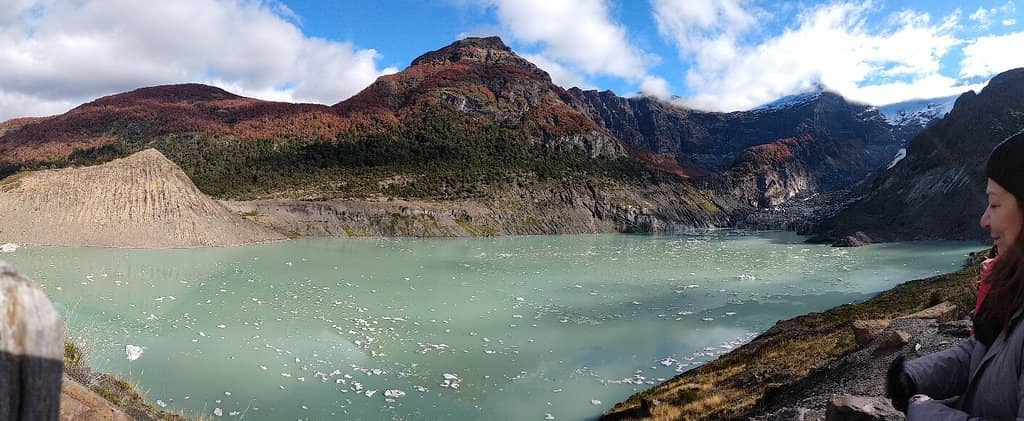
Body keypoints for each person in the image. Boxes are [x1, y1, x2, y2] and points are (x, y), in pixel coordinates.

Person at [887, 130, 1024, 418]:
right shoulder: (1016, 287)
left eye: (995, 204)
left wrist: (925, 413)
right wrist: (914, 376)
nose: (984, 220)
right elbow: (984, 351)